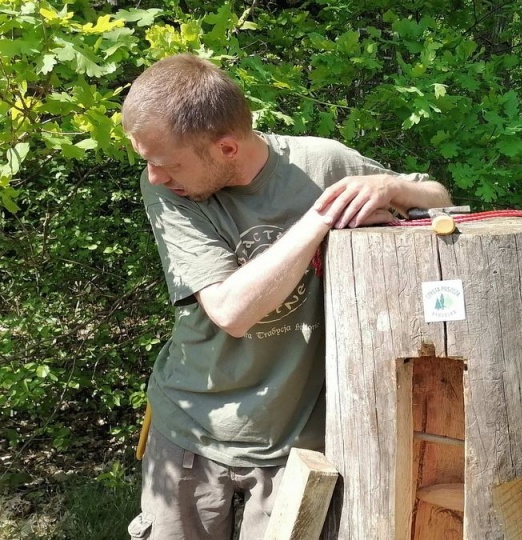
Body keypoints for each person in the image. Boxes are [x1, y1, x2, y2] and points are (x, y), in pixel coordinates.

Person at [121, 53, 452, 539]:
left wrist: (391, 185)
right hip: (189, 430)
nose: (153, 176)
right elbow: (232, 311)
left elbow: (440, 201)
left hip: (298, 443)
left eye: (164, 163)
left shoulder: (324, 163)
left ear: (227, 148)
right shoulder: (171, 192)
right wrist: (320, 221)